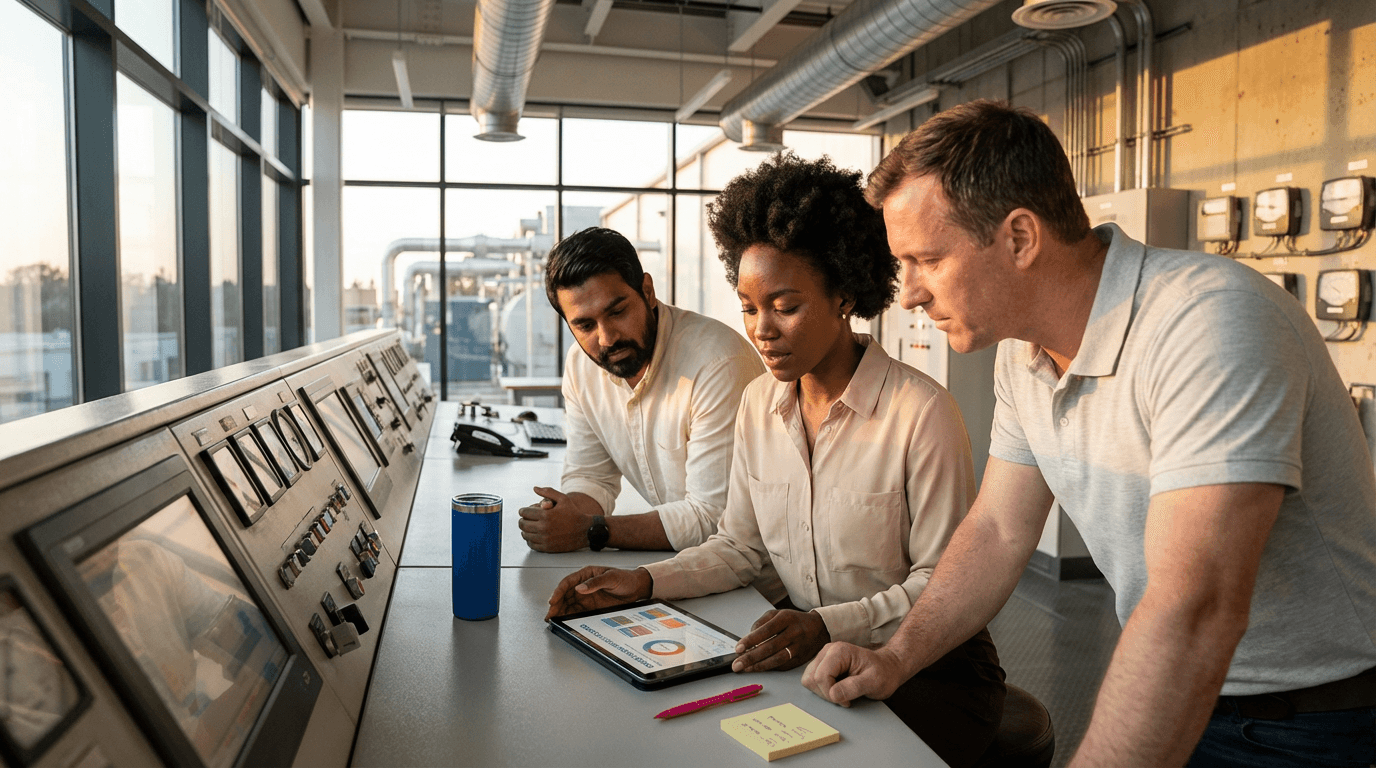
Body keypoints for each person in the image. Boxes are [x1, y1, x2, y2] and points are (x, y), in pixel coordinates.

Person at [802, 99, 1376, 767]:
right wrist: (897, 657)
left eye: (926, 259)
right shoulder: (1022, 356)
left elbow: (1195, 608)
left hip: (1311, 723)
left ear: (1020, 237)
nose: (909, 293)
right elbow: (999, 530)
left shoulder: (1211, 323)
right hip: (1183, 687)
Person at [546, 155, 1006, 768]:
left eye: (785, 306)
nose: (762, 330)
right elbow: (739, 547)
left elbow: (940, 585)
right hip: (817, 648)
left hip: (932, 666)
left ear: (844, 294)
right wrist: (646, 582)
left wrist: (827, 624)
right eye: (748, 307)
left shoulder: (920, 412)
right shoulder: (759, 404)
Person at [517, 227, 765, 556]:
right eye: (585, 325)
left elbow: (712, 519)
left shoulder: (718, 363)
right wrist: (562, 514)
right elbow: (591, 476)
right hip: (682, 562)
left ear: (647, 291)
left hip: (754, 576)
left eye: (617, 312)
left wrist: (589, 530)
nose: (607, 338)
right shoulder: (581, 366)